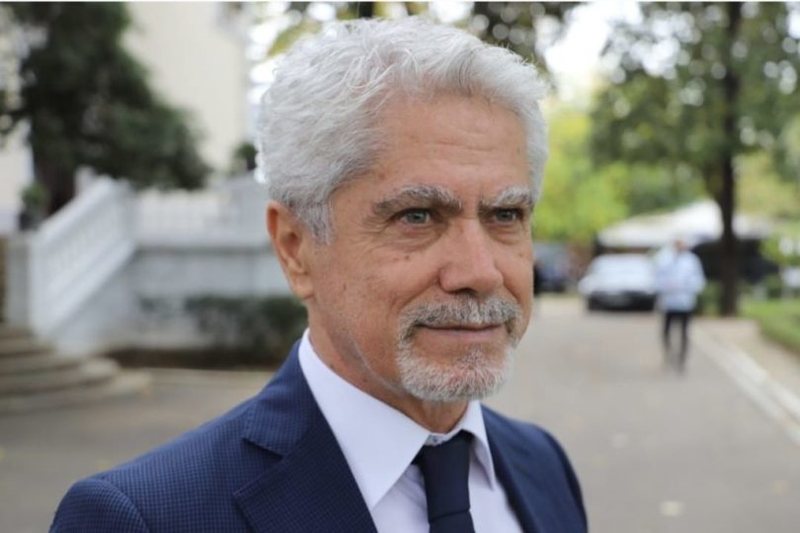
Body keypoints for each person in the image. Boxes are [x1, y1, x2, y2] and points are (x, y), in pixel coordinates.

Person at [51, 18, 586, 532]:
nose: (480, 272)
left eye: (505, 215)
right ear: (295, 248)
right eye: (417, 216)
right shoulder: (145, 518)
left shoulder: (542, 466)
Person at [654, 238, 706, 372]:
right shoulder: (664, 259)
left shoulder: (692, 261)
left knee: (684, 332)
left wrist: (685, 286)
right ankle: (668, 353)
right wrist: (667, 286)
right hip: (669, 302)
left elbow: (698, 280)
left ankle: (682, 358)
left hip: (685, 302)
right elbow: (657, 278)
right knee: (666, 331)